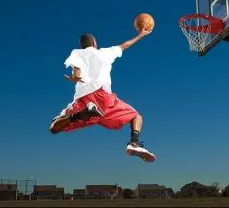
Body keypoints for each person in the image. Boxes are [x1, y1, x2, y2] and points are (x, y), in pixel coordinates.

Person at [49, 28, 155, 162]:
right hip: (105, 100)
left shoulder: (77, 53)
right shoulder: (105, 52)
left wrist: (75, 76)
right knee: (136, 116)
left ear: (82, 45)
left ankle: (82, 113)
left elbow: (76, 68)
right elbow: (125, 45)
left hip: (85, 100)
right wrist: (141, 35)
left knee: (54, 127)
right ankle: (134, 143)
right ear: (94, 43)